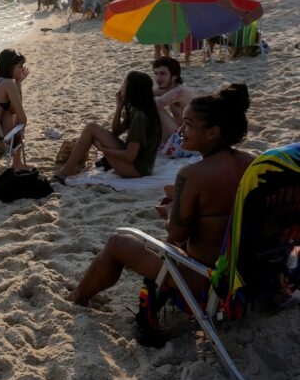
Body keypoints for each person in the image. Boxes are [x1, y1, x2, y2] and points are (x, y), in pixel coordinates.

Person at [68, 85, 254, 309]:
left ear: (214, 132)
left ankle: (78, 297)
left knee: (118, 242)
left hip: (206, 279)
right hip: (247, 273)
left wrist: (169, 210)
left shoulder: (193, 174)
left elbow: (177, 232)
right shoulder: (253, 163)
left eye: (189, 124)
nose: (181, 130)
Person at [52, 71, 161, 184]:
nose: (121, 86)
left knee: (91, 128)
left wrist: (104, 150)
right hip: (137, 163)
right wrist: (119, 107)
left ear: (132, 89)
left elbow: (130, 156)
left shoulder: (140, 117)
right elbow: (116, 132)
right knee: (91, 128)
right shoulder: (136, 109)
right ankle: (68, 169)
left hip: (137, 170)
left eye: (124, 83)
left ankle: (64, 173)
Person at [152, 58, 195, 156]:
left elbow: (156, 103)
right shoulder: (169, 88)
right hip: (183, 136)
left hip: (187, 143)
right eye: (156, 73)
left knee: (154, 107)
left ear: (174, 76)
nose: (158, 78)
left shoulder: (180, 91)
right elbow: (147, 90)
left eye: (162, 73)